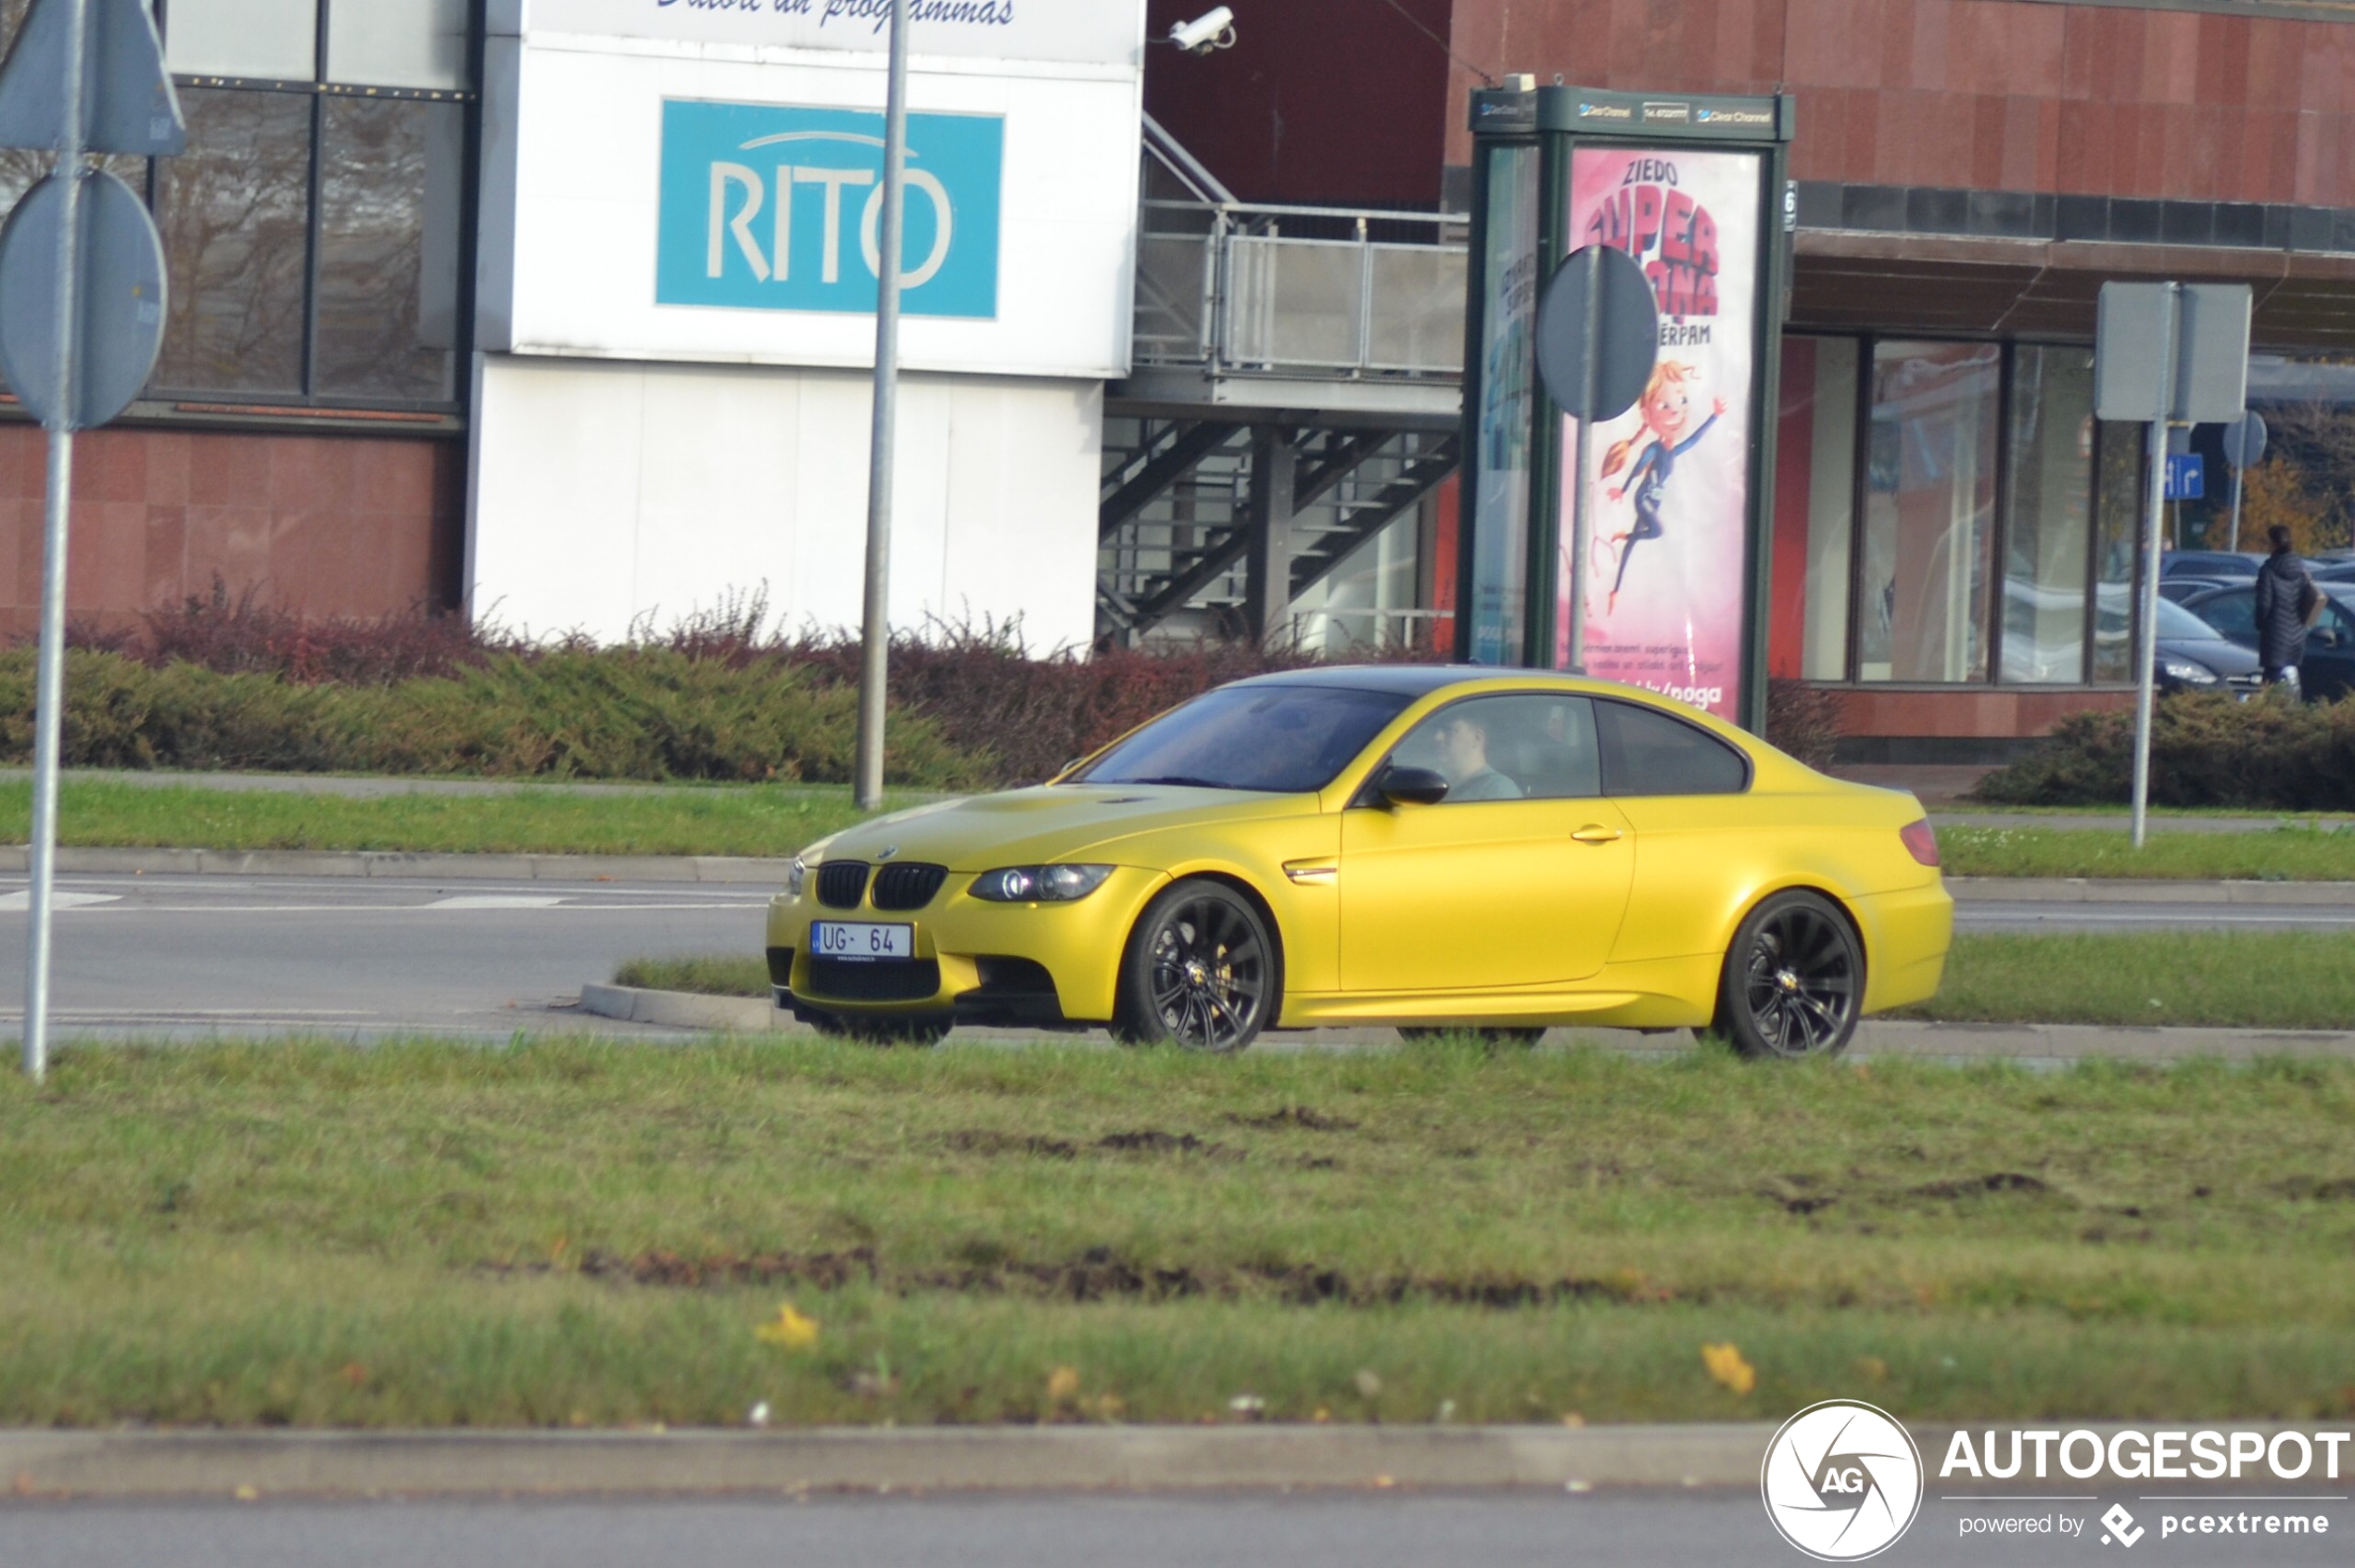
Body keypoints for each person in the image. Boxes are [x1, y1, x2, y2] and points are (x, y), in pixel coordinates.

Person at [1599, 362, 1725, 612]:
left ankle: (1615, 590)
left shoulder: (1672, 451)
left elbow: (1693, 440)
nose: (1675, 412)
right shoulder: (1656, 449)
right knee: (1657, 531)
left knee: (1632, 545)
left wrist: (1714, 416)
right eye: (1664, 406)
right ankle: (1624, 535)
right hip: (1643, 498)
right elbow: (1638, 467)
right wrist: (1623, 490)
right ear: (1648, 415)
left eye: (1681, 402)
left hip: (1653, 502)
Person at [2251, 524, 2321, 690]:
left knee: (2270, 685)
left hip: (2275, 635)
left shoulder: (2268, 570)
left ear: (2274, 544)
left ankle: (2270, 714)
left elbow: (2264, 604)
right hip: (2296, 635)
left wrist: (2259, 623)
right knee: (2290, 683)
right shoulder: (2301, 569)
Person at [1431, 710, 1522, 801]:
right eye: (1437, 730)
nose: (1438, 737)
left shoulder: (1499, 790)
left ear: (1477, 738)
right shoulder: (1432, 784)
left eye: (1449, 730)